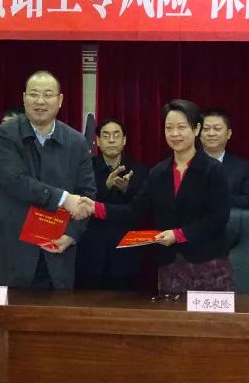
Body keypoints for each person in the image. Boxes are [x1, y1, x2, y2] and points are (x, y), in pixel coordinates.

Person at [81, 99, 234, 294]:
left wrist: (177, 235)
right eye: (169, 128)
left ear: (196, 129)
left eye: (181, 127)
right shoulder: (158, 173)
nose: (174, 133)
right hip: (170, 266)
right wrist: (95, 207)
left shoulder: (213, 170)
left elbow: (217, 218)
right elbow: (133, 211)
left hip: (208, 263)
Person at [0, 71, 95, 290]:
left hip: (56, 255)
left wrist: (72, 235)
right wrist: (64, 198)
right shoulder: (5, 134)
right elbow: (14, 181)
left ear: (60, 100)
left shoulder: (76, 142)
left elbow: (87, 194)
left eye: (48, 95)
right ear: (24, 98)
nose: (40, 101)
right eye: (34, 94)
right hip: (11, 254)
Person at [75, 118, 148, 291]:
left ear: (124, 140)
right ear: (98, 141)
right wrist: (106, 187)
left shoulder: (139, 171)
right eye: (106, 136)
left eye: (116, 135)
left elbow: (143, 209)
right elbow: (78, 204)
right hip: (91, 256)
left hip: (126, 256)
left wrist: (126, 189)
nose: (112, 140)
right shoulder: (85, 169)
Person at [200, 108, 249, 209]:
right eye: (205, 129)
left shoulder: (242, 168)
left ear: (228, 134)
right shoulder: (186, 164)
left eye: (217, 129)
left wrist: (220, 198)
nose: (211, 133)